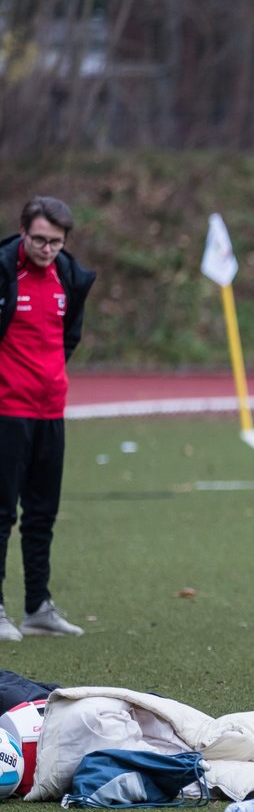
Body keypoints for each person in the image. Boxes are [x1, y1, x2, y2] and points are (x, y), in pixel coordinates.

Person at [0, 196, 95, 641]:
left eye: (55, 242)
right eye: (39, 239)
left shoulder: (68, 277)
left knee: (42, 514)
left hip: (50, 411)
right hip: (6, 412)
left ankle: (37, 607)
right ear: (23, 232)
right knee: (3, 513)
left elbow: (68, 335)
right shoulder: (5, 271)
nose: (46, 248)